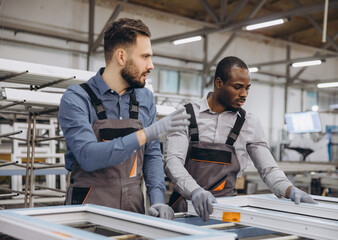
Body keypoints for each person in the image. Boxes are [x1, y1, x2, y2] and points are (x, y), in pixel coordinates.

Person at [58, 18, 190, 220]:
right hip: (87, 210)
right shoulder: (77, 98)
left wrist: (156, 199)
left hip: (132, 208)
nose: (151, 65)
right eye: (145, 56)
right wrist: (145, 134)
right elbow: (88, 155)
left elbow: (152, 155)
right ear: (121, 56)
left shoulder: (144, 98)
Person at [164, 56, 316, 221]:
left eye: (247, 88)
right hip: (184, 207)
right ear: (219, 83)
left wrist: (289, 189)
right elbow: (173, 161)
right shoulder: (185, 114)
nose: (244, 94)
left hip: (226, 211)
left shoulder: (249, 123)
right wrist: (194, 191)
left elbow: (268, 170)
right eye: (237, 87)